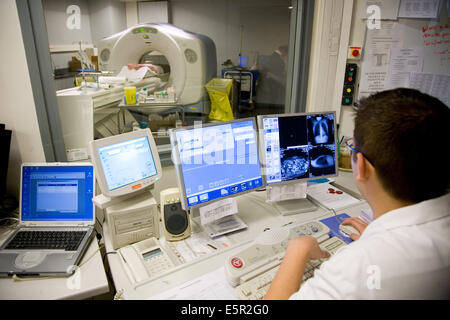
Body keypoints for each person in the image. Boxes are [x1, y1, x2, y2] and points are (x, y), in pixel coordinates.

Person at [264, 88, 450, 299]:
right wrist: (379, 237)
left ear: (361, 165)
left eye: (352, 149)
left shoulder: (358, 266)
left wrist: (297, 251)